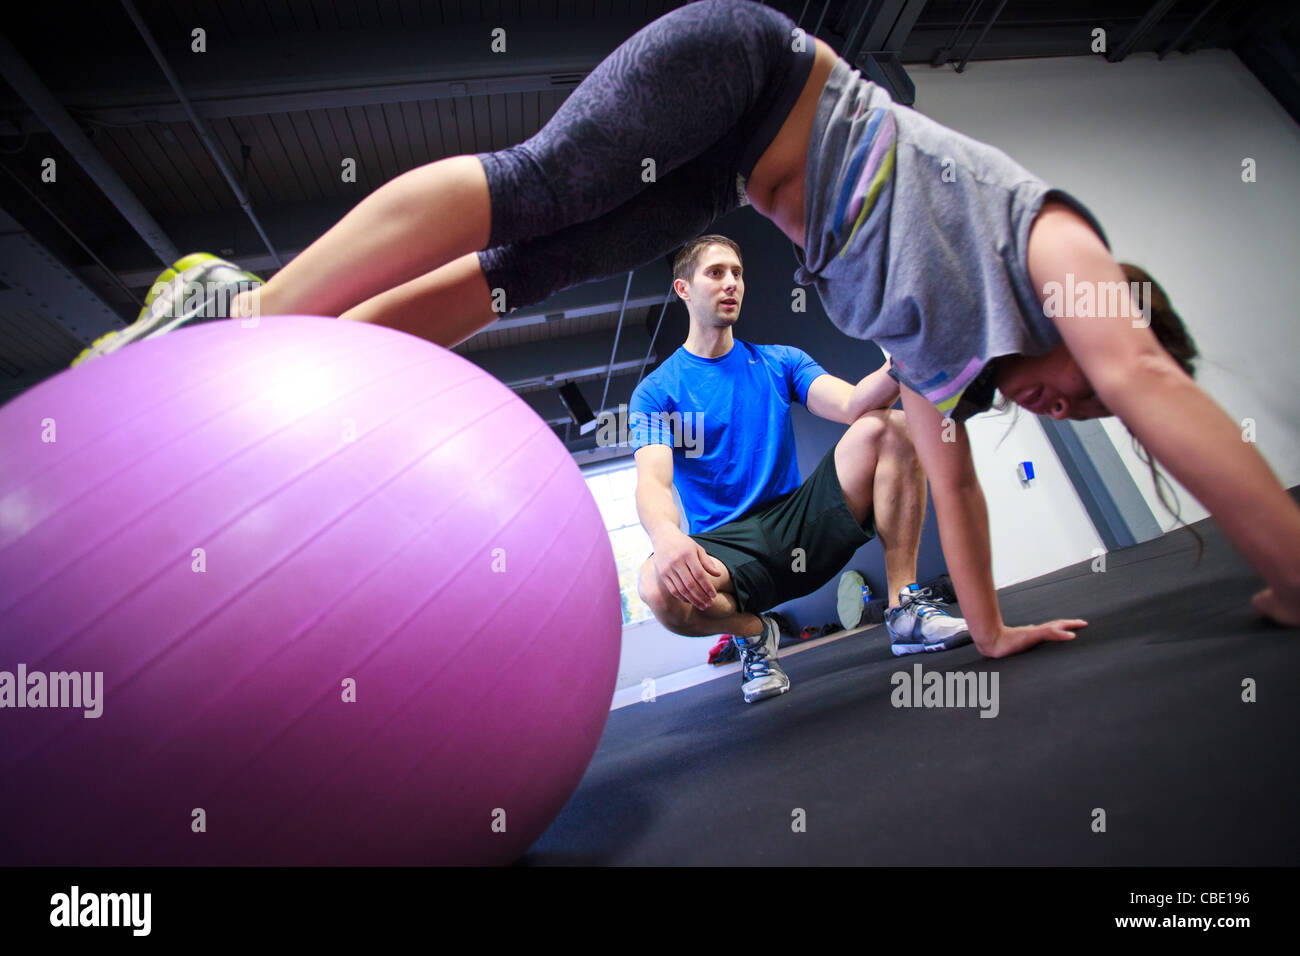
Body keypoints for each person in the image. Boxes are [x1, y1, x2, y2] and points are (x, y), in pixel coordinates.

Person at [91, 0, 1299, 645]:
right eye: (1080, 390)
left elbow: (953, 490)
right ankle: (240, 304)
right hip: (749, 71)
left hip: (719, 169)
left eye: (1073, 411)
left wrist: (985, 632)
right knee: (541, 180)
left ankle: (324, 354)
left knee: (530, 269)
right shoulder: (1046, 236)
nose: (1066, 401)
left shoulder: (949, 357)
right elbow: (1140, 367)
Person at [631, 235, 968, 703]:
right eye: (715, 273)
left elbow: (853, 404)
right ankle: (752, 632)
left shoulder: (779, 361)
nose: (731, 283)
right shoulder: (657, 392)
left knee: (890, 427)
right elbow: (653, 479)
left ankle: (904, 606)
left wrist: (902, 363)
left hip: (799, 525)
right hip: (726, 551)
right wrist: (665, 536)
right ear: (683, 289)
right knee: (655, 587)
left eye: (737, 273)